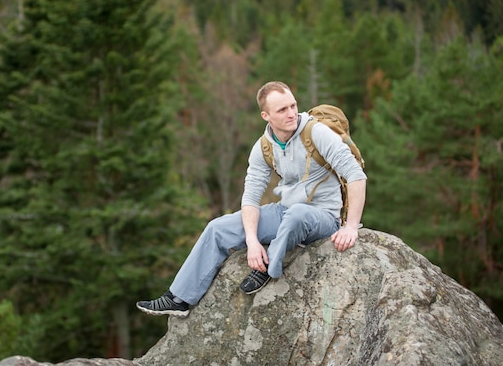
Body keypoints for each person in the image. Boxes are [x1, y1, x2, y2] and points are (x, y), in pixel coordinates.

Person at [136, 81, 367, 317]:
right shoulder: (263, 147)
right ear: (265, 115)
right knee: (217, 228)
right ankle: (179, 299)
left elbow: (356, 175)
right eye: (282, 110)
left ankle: (268, 269)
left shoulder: (316, 132)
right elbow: (250, 198)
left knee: (297, 214)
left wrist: (350, 227)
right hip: (285, 211)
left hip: (324, 217)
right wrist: (252, 241)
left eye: (293, 105)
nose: (291, 113)